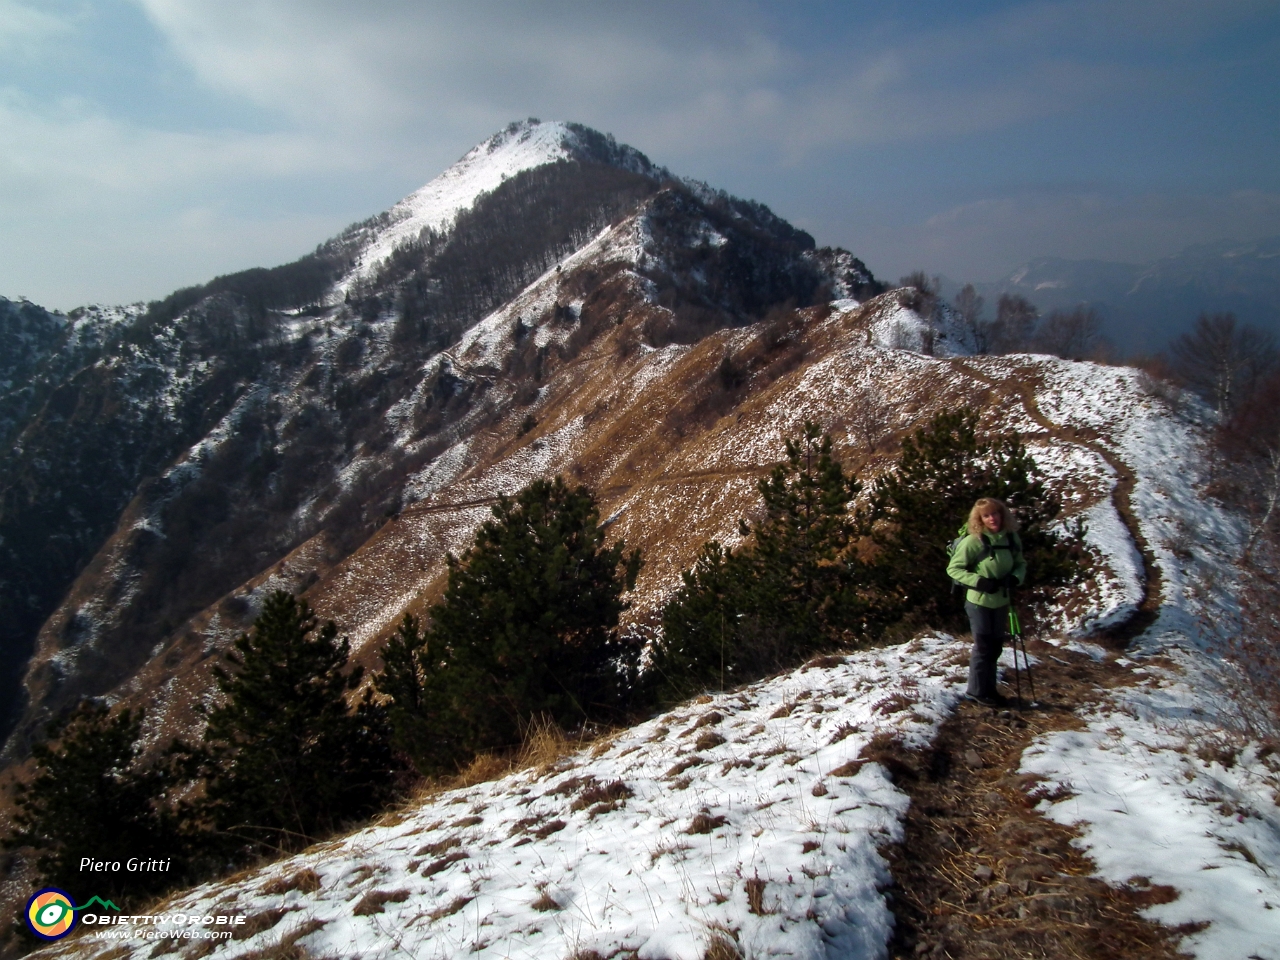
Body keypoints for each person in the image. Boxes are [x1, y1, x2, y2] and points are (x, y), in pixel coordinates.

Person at [947, 497, 1026, 707]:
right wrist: (979, 582)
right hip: (978, 601)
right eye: (986, 515)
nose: (992, 518)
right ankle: (976, 692)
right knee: (983, 646)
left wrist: (1015, 578)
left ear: (1002, 514)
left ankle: (989, 690)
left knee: (995, 646)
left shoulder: (1010, 539)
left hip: (1001, 601)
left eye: (995, 513)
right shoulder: (973, 541)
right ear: (979, 519)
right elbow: (953, 569)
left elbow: (1020, 563)